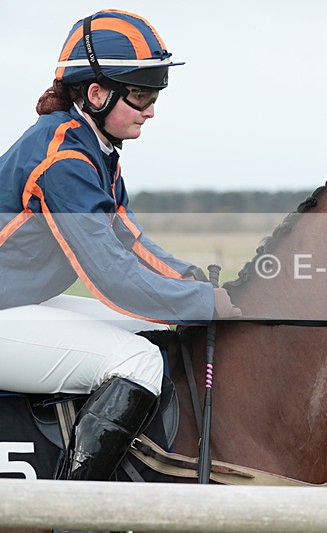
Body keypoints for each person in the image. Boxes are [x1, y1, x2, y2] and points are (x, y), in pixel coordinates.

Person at [0, 9, 241, 482]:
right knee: (138, 362)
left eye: (155, 95)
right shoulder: (63, 159)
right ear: (96, 94)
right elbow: (113, 277)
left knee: (153, 331)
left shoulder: (93, 148)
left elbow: (130, 241)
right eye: (141, 95)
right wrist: (204, 302)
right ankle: (75, 509)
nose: (151, 110)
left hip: (20, 302)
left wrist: (192, 280)